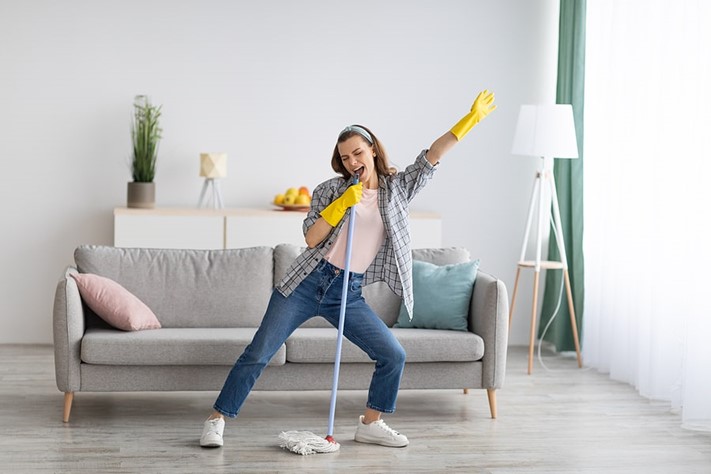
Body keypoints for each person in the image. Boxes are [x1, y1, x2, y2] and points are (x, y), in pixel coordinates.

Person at [200, 90, 497, 448]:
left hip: (348, 292)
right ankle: (217, 419)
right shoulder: (330, 190)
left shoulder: (398, 188)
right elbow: (312, 239)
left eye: (358, 152)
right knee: (258, 353)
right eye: (345, 157)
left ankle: (370, 424)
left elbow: (432, 156)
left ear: (372, 150)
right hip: (306, 283)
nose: (353, 160)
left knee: (393, 355)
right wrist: (342, 203)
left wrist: (470, 120)